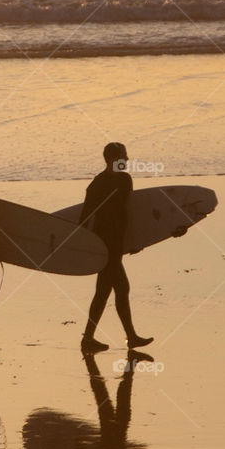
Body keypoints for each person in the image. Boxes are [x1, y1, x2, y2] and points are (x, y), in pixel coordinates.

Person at [79, 142, 153, 354]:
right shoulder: (98, 184)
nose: (127, 160)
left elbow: (131, 212)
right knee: (118, 288)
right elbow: (86, 217)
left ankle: (90, 338)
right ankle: (129, 338)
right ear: (113, 159)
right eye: (123, 157)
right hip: (104, 244)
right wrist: (86, 246)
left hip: (118, 243)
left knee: (104, 291)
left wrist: (136, 241)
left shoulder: (125, 180)